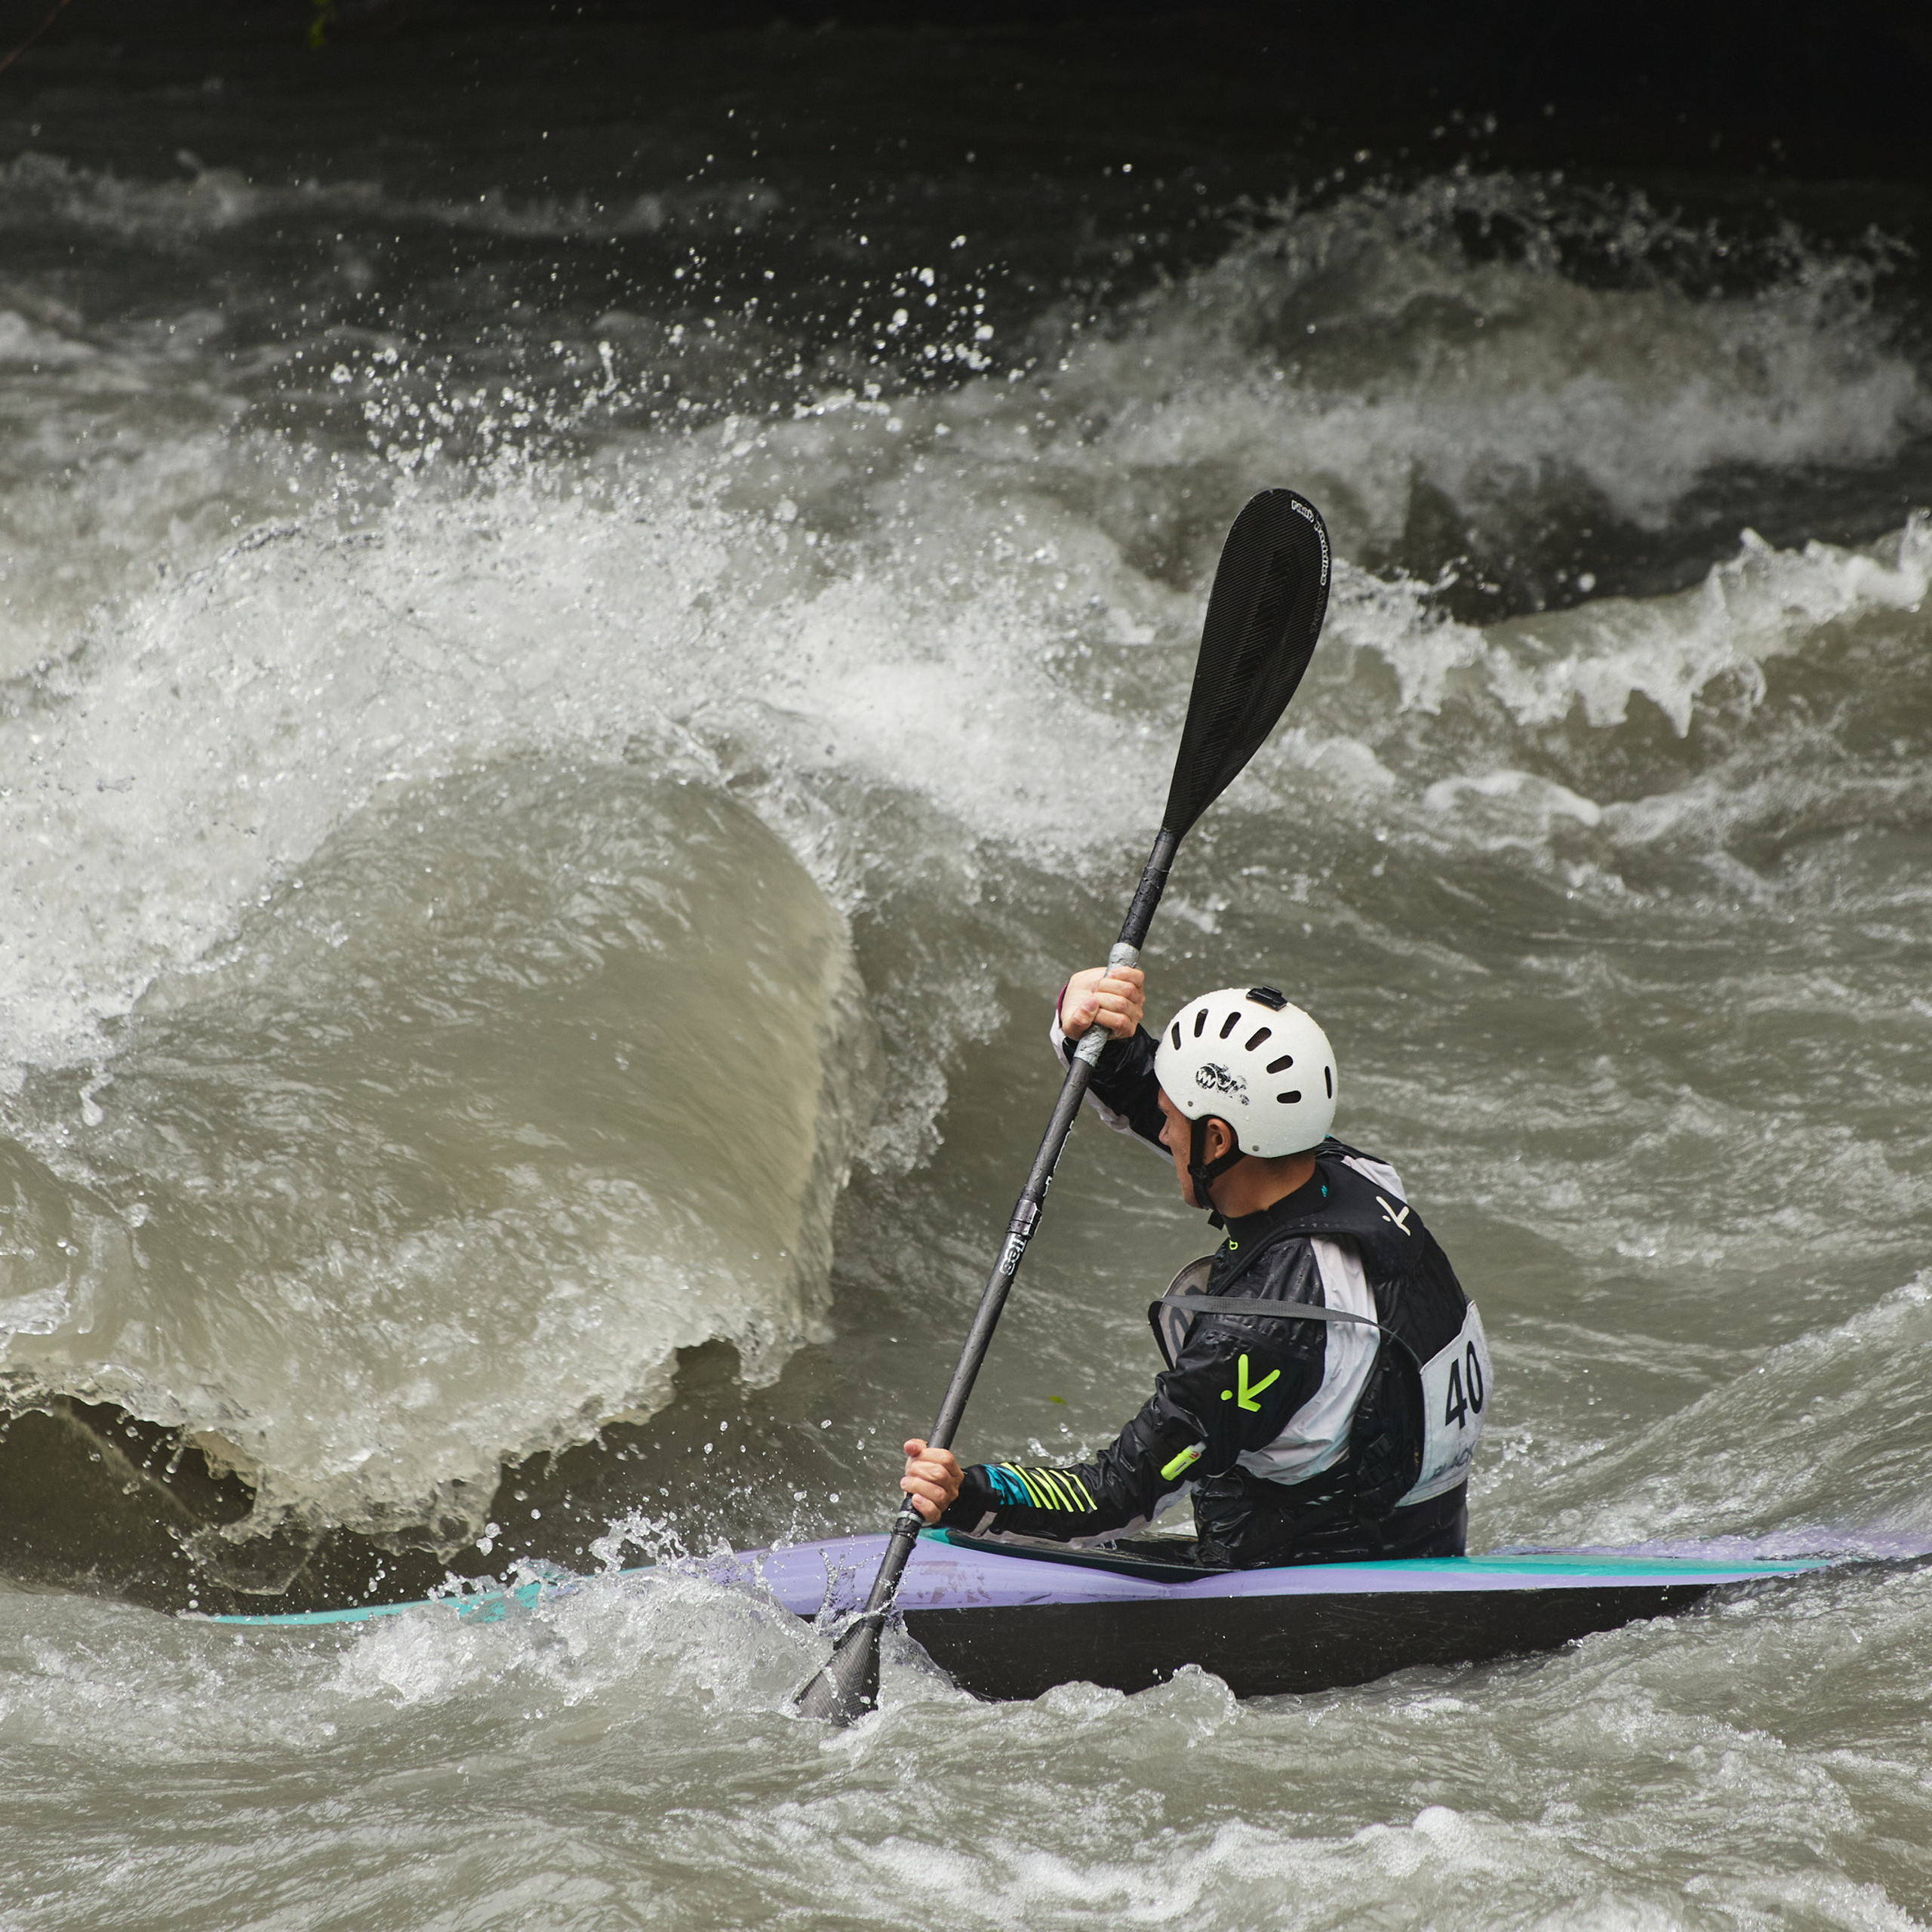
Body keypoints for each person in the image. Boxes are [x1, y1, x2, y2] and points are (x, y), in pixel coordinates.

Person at [897, 967, 1492, 1568]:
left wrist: (970, 1495)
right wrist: (1092, 1036)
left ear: (1218, 1142)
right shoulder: (1359, 1176)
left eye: (1171, 1121)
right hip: (1422, 1538)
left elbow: (1115, 1494)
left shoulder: (1261, 1332)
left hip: (1304, 1582)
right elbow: (1183, 1108)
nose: (1162, 1132)